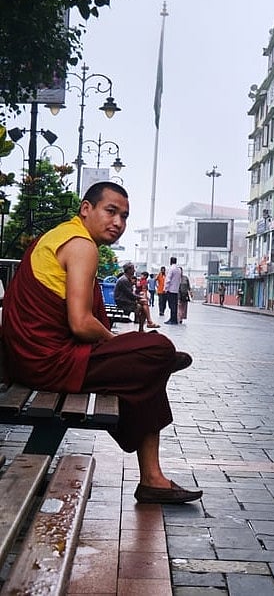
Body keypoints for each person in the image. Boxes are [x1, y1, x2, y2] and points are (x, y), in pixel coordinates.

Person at [2, 181, 202, 505]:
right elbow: (81, 325)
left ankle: (153, 478)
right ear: (86, 209)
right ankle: (152, 477)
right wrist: (113, 343)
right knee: (158, 350)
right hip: (49, 362)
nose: (118, 223)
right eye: (111, 211)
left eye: (124, 216)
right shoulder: (81, 245)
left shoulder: (57, 237)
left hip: (33, 358)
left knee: (146, 368)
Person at [114, 264, 159, 330]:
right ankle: (147, 323)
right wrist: (139, 298)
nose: (134, 270)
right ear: (128, 270)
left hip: (125, 300)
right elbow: (130, 295)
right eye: (133, 269)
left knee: (144, 304)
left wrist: (139, 297)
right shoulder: (124, 280)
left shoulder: (127, 279)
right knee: (144, 304)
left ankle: (147, 324)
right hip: (122, 302)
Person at [164, 256, 181, 325]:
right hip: (176, 290)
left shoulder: (171, 269)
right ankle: (174, 319)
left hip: (170, 290)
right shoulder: (178, 269)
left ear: (170, 261)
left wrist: (165, 288)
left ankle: (172, 320)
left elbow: (168, 279)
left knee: (171, 305)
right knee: (175, 305)